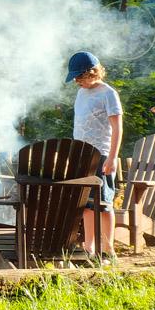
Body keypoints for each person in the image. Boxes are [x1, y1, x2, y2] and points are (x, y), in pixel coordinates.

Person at [66, 51, 123, 258]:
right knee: (86, 205)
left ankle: (108, 250)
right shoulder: (81, 92)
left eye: (79, 77)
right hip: (82, 156)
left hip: (102, 155)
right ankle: (89, 249)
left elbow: (117, 129)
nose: (76, 81)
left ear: (91, 72)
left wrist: (112, 158)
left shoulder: (108, 93)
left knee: (104, 204)